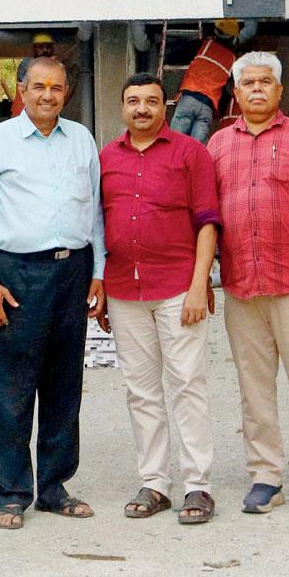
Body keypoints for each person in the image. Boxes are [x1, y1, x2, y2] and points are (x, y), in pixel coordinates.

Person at [0, 56, 107, 530]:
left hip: (73, 272)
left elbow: (96, 212)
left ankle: (53, 487)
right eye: (38, 86)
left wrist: (98, 271)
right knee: (12, 387)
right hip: (16, 275)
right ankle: (11, 491)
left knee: (64, 385)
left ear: (66, 92)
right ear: (21, 90)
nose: (48, 95)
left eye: (57, 87)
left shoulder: (82, 139)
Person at [207, 52, 289, 518]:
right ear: (236, 92)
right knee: (254, 386)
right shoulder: (218, 145)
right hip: (241, 285)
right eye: (248, 83)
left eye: (266, 82)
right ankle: (266, 475)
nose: (257, 89)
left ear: (280, 90)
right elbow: (206, 216)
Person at [98, 73, 221, 525]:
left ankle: (198, 486)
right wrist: (103, 285)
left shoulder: (192, 154)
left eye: (151, 101)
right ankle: (154, 483)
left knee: (188, 384)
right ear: (122, 107)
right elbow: (98, 224)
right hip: (125, 289)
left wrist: (197, 283)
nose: (142, 109)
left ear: (165, 106)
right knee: (141, 391)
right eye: (133, 101)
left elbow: (208, 222)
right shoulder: (107, 156)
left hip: (177, 289)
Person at [170, 19, 240, 144]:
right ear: (232, 38)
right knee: (197, 150)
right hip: (207, 108)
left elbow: (175, 56)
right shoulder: (232, 60)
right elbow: (230, 87)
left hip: (189, 99)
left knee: (176, 144)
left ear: (216, 31)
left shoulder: (204, 45)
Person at [9, 33, 57, 118]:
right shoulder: (26, 64)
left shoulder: (54, 66)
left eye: (48, 47)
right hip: (22, 111)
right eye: (41, 47)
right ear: (34, 48)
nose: (45, 50)